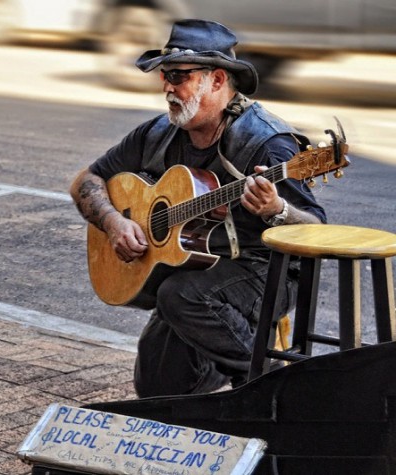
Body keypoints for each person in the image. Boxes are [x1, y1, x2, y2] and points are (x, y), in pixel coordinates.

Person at [69, 20, 326, 397]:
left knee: (181, 295)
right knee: (156, 388)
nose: (168, 87)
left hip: (262, 269)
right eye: (164, 76)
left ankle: (270, 384)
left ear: (218, 80)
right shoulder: (158, 133)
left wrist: (276, 209)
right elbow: (86, 180)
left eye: (179, 76)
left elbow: (314, 229)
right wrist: (112, 222)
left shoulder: (268, 144)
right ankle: (223, 355)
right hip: (193, 264)